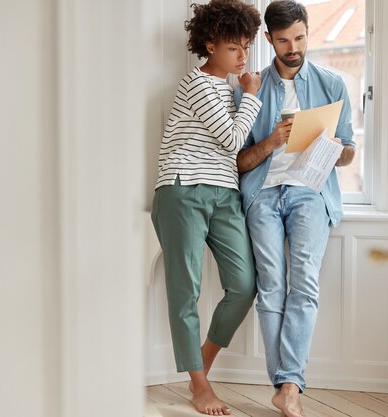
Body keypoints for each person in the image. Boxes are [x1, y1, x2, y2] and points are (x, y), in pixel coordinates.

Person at [235, 1, 356, 416]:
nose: (294, 48)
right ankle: (284, 385)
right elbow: (238, 162)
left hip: (311, 192)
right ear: (269, 39)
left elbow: (350, 152)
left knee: (304, 285)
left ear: (308, 33)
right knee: (271, 288)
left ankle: (289, 387)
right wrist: (271, 141)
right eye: (284, 40)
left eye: (300, 38)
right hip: (263, 194)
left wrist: (336, 150)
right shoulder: (249, 89)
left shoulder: (333, 84)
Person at [151, 1, 262, 415]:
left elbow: (229, 148)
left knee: (245, 284)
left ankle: (202, 364)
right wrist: (251, 94)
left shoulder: (229, 88)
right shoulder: (197, 84)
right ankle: (199, 387)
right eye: (235, 48)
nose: (242, 57)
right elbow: (232, 139)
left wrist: (243, 93)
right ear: (210, 44)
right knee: (186, 292)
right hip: (183, 189)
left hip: (224, 194)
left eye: (246, 48)